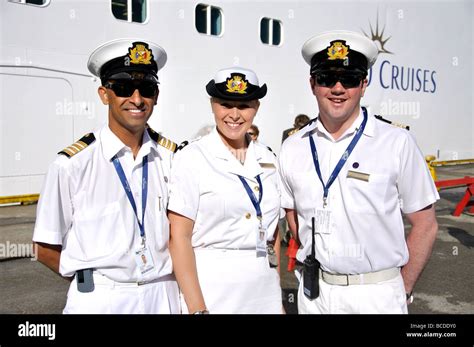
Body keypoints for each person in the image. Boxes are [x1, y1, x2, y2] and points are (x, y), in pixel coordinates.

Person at [279, 30, 439, 314]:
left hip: (375, 296)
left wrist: (402, 288)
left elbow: (425, 224)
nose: (338, 88)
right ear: (313, 83)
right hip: (314, 294)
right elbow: (292, 213)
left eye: (350, 79)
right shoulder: (294, 146)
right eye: (327, 78)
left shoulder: (396, 143)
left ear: (364, 84)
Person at [32, 39, 180, 314]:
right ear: (104, 94)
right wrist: (90, 281)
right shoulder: (73, 164)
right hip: (102, 298)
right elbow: (43, 245)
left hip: (164, 295)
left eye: (146, 89)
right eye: (124, 88)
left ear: (156, 96)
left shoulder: (173, 158)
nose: (137, 99)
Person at [168, 67, 282, 314]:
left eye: (244, 106)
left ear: (256, 107)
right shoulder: (192, 157)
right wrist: (197, 308)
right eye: (226, 104)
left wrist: (278, 298)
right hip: (214, 291)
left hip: (264, 291)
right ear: (212, 105)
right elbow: (179, 238)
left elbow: (275, 236)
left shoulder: (269, 159)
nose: (234, 114)